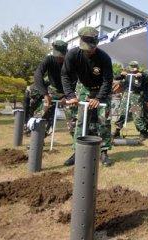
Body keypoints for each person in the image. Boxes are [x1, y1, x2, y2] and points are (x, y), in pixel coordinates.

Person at [61, 26, 113, 167]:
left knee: (104, 121)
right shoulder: (72, 55)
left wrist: (99, 98)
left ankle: (104, 152)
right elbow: (65, 75)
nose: (88, 52)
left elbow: (108, 81)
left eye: (91, 49)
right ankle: (77, 151)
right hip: (85, 89)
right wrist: (71, 95)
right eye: (86, 49)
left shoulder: (104, 58)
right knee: (81, 121)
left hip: (102, 91)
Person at [33, 40, 77, 138]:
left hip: (68, 92)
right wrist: (45, 94)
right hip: (53, 91)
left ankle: (77, 144)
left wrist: (67, 96)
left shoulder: (71, 62)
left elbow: (74, 81)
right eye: (56, 55)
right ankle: (37, 140)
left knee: (72, 119)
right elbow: (38, 74)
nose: (58, 58)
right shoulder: (49, 60)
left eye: (61, 56)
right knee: (41, 114)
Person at [113, 61, 148, 140]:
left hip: (136, 96)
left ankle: (142, 132)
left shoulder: (141, 74)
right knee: (122, 112)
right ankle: (117, 130)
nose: (133, 69)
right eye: (131, 67)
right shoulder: (127, 74)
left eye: (134, 67)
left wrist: (142, 75)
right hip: (126, 95)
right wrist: (121, 74)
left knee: (137, 114)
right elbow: (116, 77)